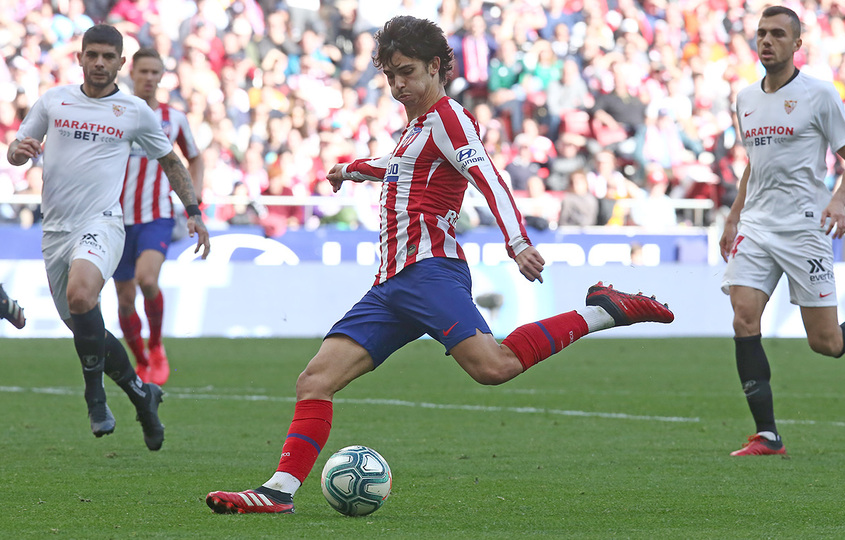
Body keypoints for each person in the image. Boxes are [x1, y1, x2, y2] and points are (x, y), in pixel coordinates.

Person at [206, 15, 674, 515]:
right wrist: (351, 169)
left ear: (435, 66)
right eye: (390, 76)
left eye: (406, 72)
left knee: (494, 367)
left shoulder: (451, 119)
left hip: (430, 271)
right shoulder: (418, 128)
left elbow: (487, 176)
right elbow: (397, 167)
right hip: (391, 284)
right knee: (314, 381)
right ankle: (278, 492)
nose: (397, 85)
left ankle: (603, 310)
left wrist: (517, 242)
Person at [719, 6, 845, 458]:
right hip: (757, 225)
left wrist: (838, 201)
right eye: (761, 33)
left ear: (797, 44)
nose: (767, 40)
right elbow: (754, 163)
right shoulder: (745, 98)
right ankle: (767, 435)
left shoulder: (819, 94)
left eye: (777, 34)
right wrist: (734, 216)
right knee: (743, 317)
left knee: (826, 343)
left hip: (804, 228)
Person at [6, 24, 210, 450]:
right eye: (92, 55)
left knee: (82, 296)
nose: (99, 63)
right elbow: (19, 146)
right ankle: (141, 394)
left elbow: (172, 162)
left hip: (102, 222)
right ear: (80, 57)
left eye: (108, 57)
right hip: (55, 231)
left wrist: (193, 212)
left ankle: (94, 397)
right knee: (86, 328)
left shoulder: (133, 111)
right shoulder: (54, 100)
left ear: (120, 63)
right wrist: (18, 151)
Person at [114, 47, 205, 386]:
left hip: (157, 215)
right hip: (114, 219)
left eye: (155, 72)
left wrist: (194, 200)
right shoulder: (116, 112)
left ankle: (156, 346)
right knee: (124, 299)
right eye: (144, 72)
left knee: (147, 280)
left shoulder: (173, 118)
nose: (149, 78)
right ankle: (140, 359)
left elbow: (195, 158)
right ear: (132, 73)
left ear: (162, 76)